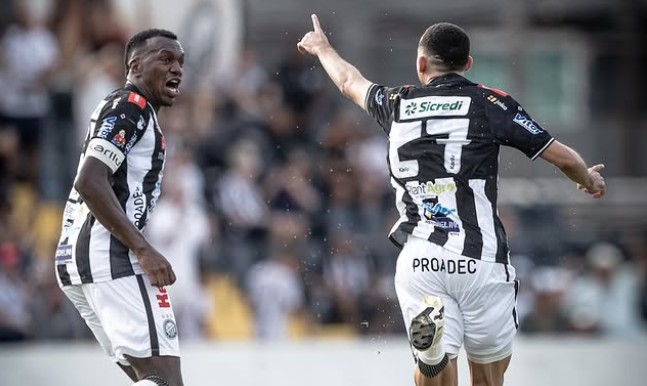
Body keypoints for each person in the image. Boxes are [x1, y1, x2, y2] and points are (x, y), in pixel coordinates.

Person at [297, 15, 605, 386]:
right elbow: (563, 158)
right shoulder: (490, 103)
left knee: (439, 370)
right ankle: (437, 352)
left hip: (421, 258)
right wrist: (587, 178)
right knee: (489, 377)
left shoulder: (396, 102)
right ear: (468, 65)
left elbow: (348, 81)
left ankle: (434, 354)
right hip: (480, 259)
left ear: (421, 64)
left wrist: (321, 47)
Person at [54, 29, 185, 386]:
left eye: (179, 62)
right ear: (135, 65)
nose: (176, 69)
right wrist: (142, 248)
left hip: (80, 260)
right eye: (166, 59)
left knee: (148, 377)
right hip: (111, 255)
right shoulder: (131, 106)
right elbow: (89, 180)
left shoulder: (128, 109)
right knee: (165, 380)